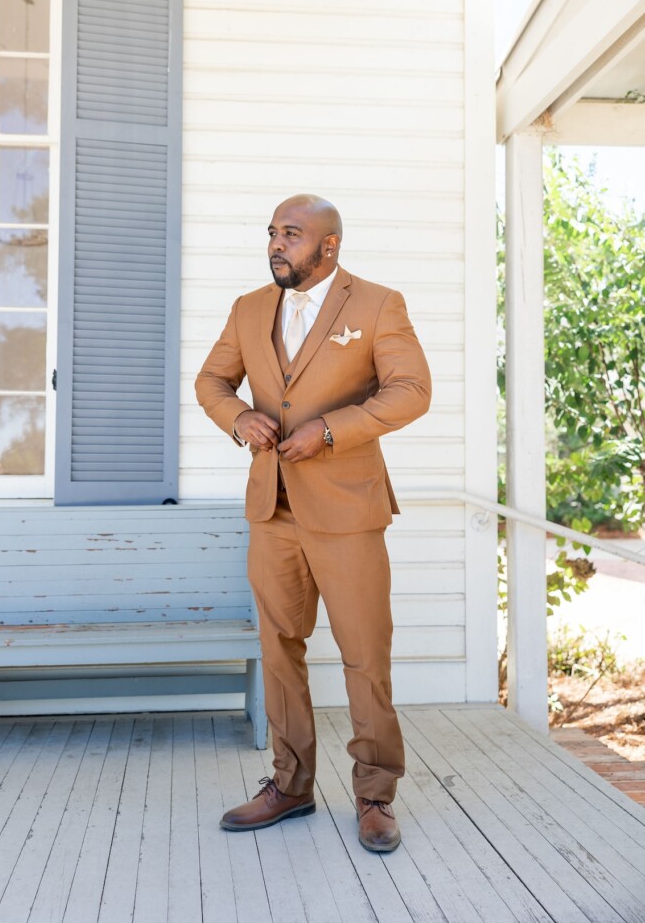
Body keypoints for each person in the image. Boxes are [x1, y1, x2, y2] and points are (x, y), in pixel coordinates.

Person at [195, 194, 431, 852]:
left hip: (348, 513)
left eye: (291, 234)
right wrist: (237, 418)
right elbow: (212, 382)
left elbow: (410, 390)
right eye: (272, 233)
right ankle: (290, 785)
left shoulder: (377, 304)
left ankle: (375, 795)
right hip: (272, 512)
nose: (276, 244)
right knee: (279, 652)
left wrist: (330, 431)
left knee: (364, 656)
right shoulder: (247, 310)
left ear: (328, 246)